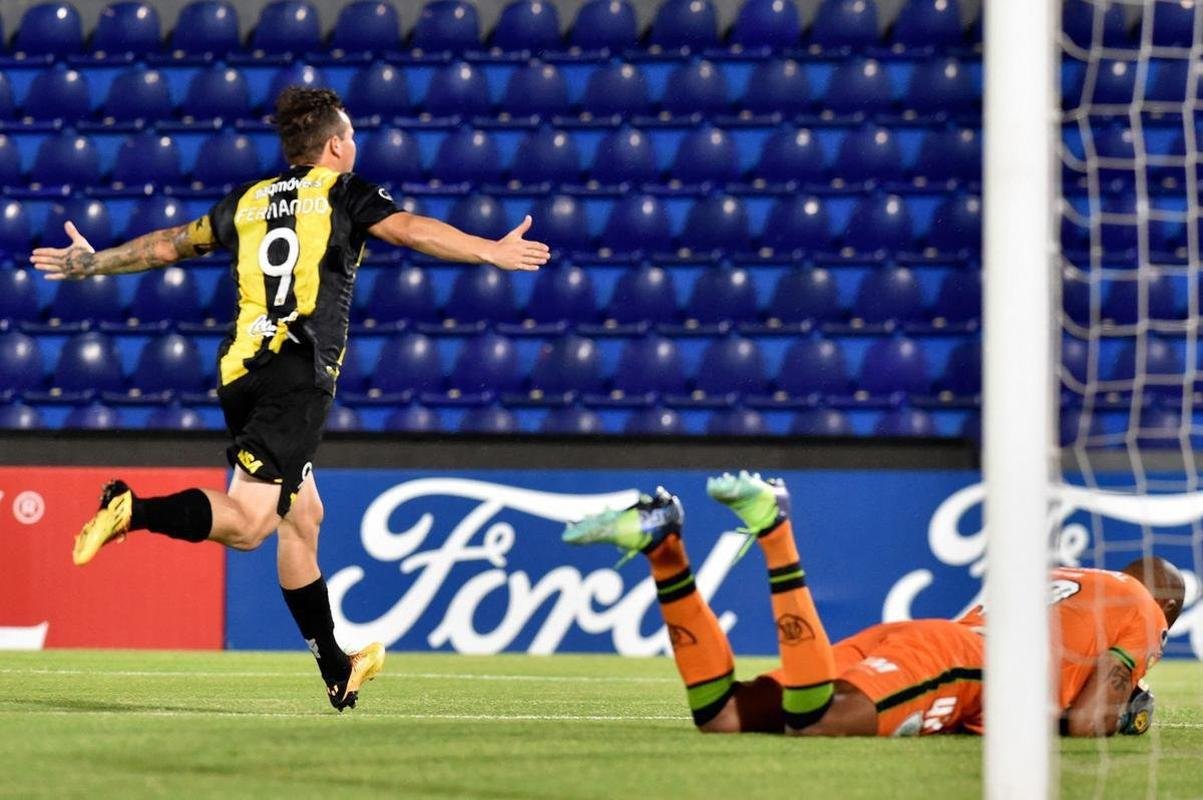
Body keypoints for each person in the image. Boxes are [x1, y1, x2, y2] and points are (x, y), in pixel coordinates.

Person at [29, 87, 551, 711]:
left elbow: (168, 244)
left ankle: (337, 666)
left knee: (302, 518)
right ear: (335, 145)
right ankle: (132, 509)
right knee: (250, 526)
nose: (355, 146)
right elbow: (410, 230)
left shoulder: (248, 200)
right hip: (297, 374)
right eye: (351, 136)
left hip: (240, 372)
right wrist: (489, 250)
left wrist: (93, 264)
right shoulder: (345, 191)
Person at [563, 471, 1184, 737]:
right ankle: (775, 531)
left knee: (725, 716)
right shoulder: (1145, 606)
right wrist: (1130, 712)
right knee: (816, 724)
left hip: (926, 641)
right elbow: (1085, 721)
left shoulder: (1060, 575)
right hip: (964, 667)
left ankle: (664, 546)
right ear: (1168, 607)